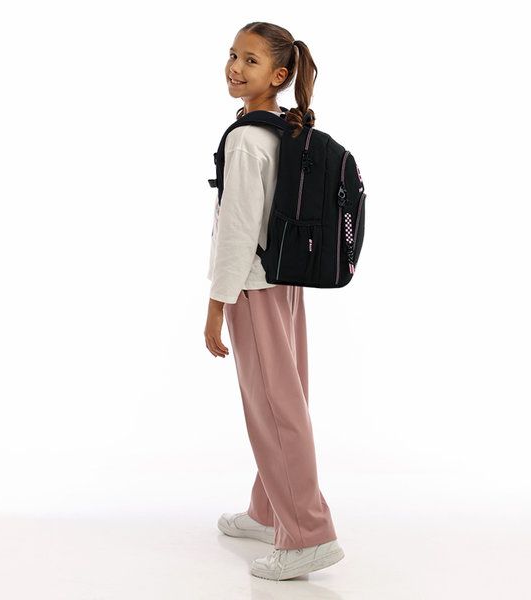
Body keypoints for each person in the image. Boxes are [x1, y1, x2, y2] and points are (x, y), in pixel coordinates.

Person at [204, 22, 345, 581]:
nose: (236, 67)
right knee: (286, 397)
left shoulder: (246, 139)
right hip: (285, 280)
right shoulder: (284, 128)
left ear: (279, 75)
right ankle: (268, 512)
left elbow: (237, 229)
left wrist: (216, 303)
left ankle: (308, 535)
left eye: (251, 60)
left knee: (274, 409)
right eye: (233, 55)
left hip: (253, 284)